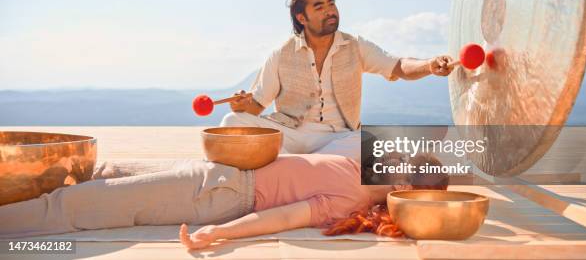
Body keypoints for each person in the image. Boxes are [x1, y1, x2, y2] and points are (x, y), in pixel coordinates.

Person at [0, 154, 447, 250]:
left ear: (406, 189)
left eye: (409, 166)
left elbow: (284, 216)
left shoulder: (346, 200)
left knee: (73, 207)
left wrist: (221, 233)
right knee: (98, 177)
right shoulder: (352, 168)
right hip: (217, 174)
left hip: (219, 194)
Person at [220, 0, 454, 159]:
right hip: (289, 134)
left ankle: (300, 167)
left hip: (338, 138)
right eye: (319, 7)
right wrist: (241, 105)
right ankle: (318, 168)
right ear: (302, 17)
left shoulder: (356, 45)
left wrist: (429, 65)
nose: (330, 11)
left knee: (372, 143)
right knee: (232, 122)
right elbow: (256, 105)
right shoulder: (281, 54)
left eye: (331, 3)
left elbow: (398, 66)